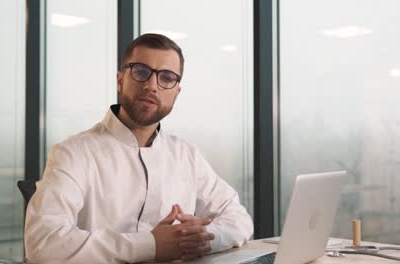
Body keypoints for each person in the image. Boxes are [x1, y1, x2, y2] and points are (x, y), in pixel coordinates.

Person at [24, 33, 253, 263]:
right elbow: (43, 243)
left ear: (177, 92)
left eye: (166, 78)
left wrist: (202, 238)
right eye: (141, 72)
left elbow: (239, 218)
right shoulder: (73, 153)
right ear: (120, 79)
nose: (151, 86)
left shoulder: (186, 156)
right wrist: (151, 245)